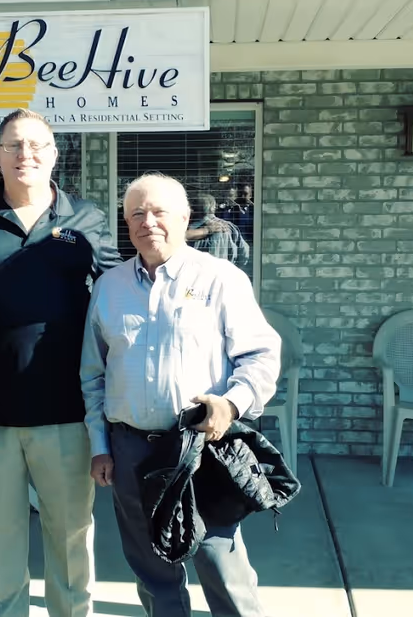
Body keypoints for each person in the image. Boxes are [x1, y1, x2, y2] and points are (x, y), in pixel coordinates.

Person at [0, 108, 121, 617]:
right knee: (0, 544)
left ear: (54, 154)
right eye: (13, 145)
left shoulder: (87, 219)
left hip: (66, 415)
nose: (25, 155)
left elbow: (120, 292)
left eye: (36, 145)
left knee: (70, 540)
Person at [80, 173, 281, 617]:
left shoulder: (220, 278)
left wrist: (231, 404)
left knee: (221, 564)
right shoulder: (109, 288)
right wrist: (100, 447)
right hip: (131, 449)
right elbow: (92, 375)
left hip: (200, 448)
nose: (147, 221)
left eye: (159, 212)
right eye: (136, 213)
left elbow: (261, 355)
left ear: (186, 218)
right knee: (152, 572)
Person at [186, 193, 250, 268]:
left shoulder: (188, 230)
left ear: (193, 209)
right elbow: (244, 254)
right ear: (214, 207)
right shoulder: (230, 228)